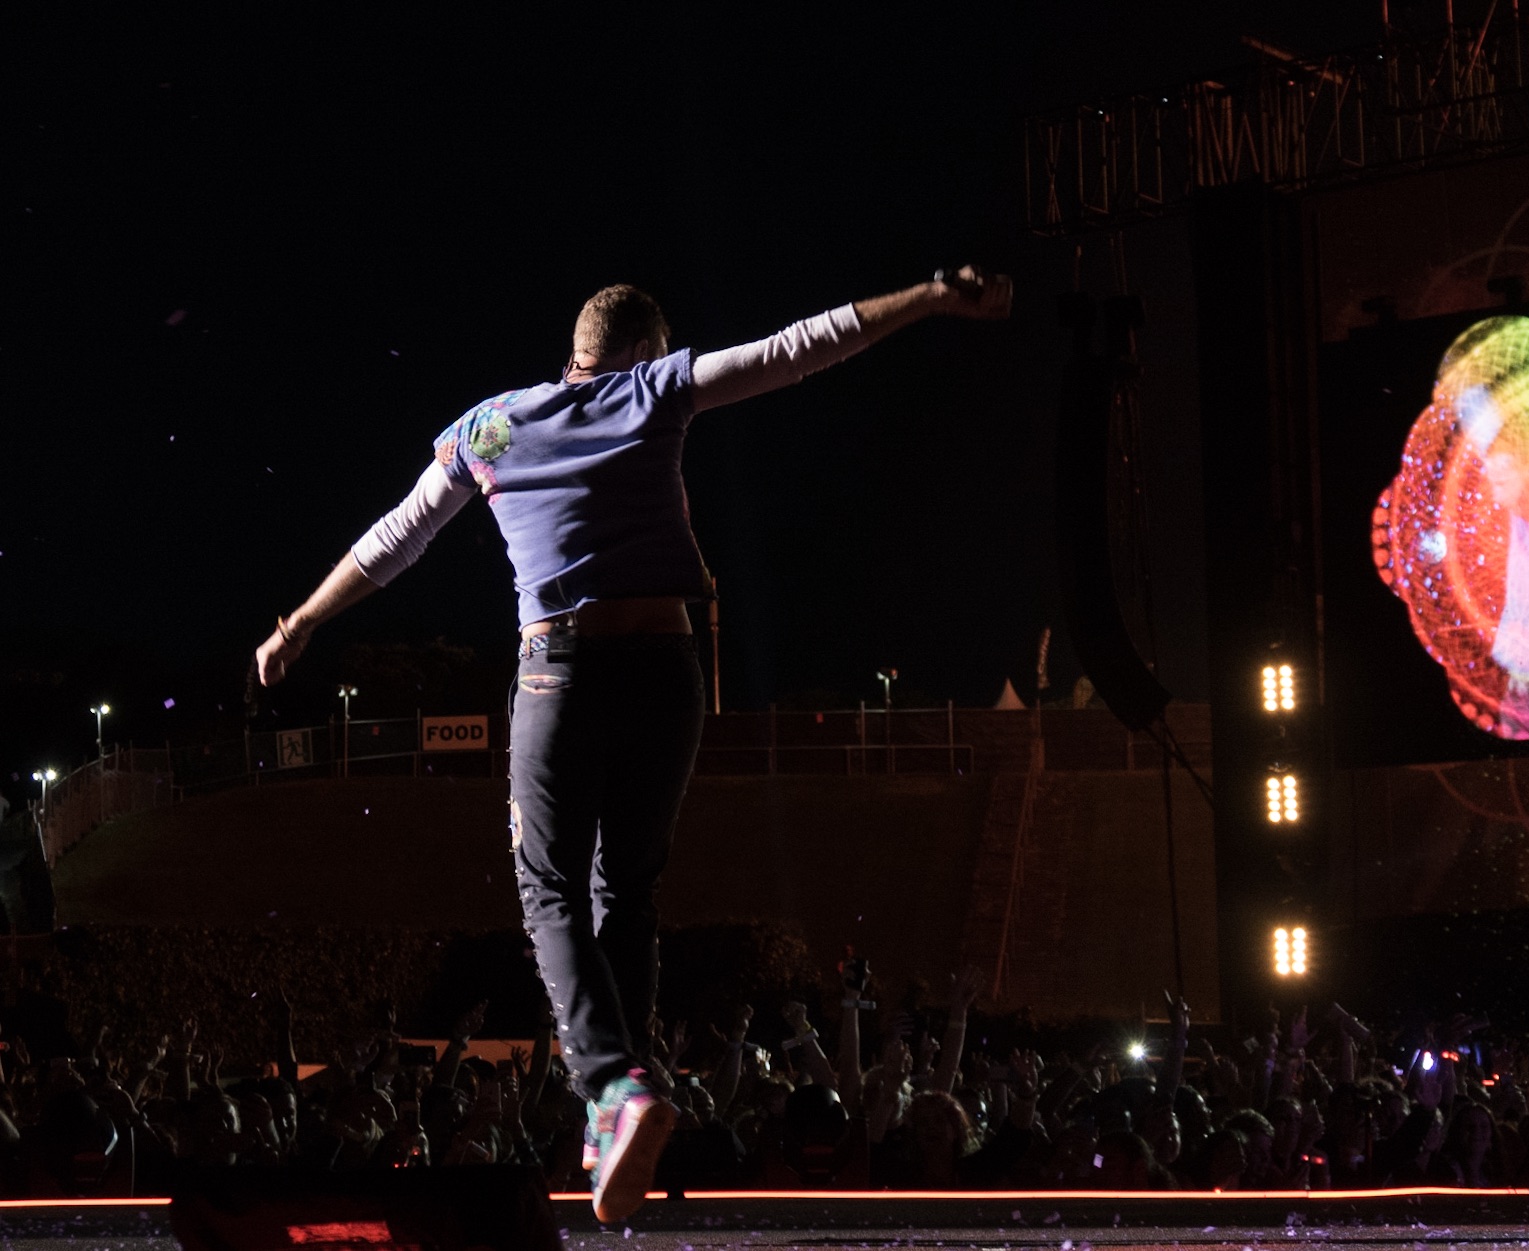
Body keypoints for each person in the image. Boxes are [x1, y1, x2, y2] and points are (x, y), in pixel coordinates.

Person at [252, 266, 1012, 1219]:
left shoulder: (491, 425)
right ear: (647, 350)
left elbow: (397, 537)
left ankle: (614, 1086)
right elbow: (795, 349)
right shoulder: (654, 390)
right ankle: (623, 1089)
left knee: (549, 886)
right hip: (666, 672)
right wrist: (929, 297)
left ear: (574, 352)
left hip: (561, 672)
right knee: (629, 888)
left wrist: (300, 624)